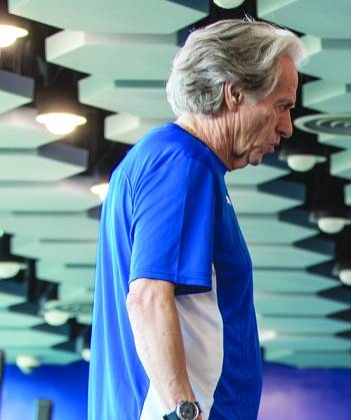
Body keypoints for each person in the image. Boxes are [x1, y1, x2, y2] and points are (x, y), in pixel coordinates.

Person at [88, 18, 305, 420]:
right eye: (281, 106)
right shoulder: (183, 164)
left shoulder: (176, 161)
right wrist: (182, 413)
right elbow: (147, 298)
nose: (286, 127)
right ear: (234, 93)